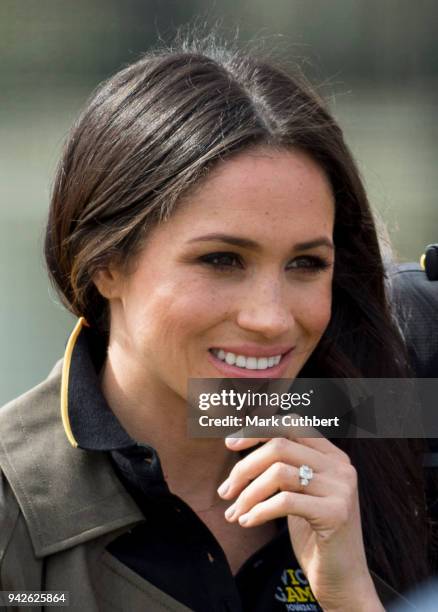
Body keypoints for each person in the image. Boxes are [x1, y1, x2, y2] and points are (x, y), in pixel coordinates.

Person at [0, 36, 431, 611]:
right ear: (104, 262)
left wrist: (348, 594)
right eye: (221, 260)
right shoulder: (13, 509)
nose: (271, 319)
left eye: (306, 264)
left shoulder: (404, 437)